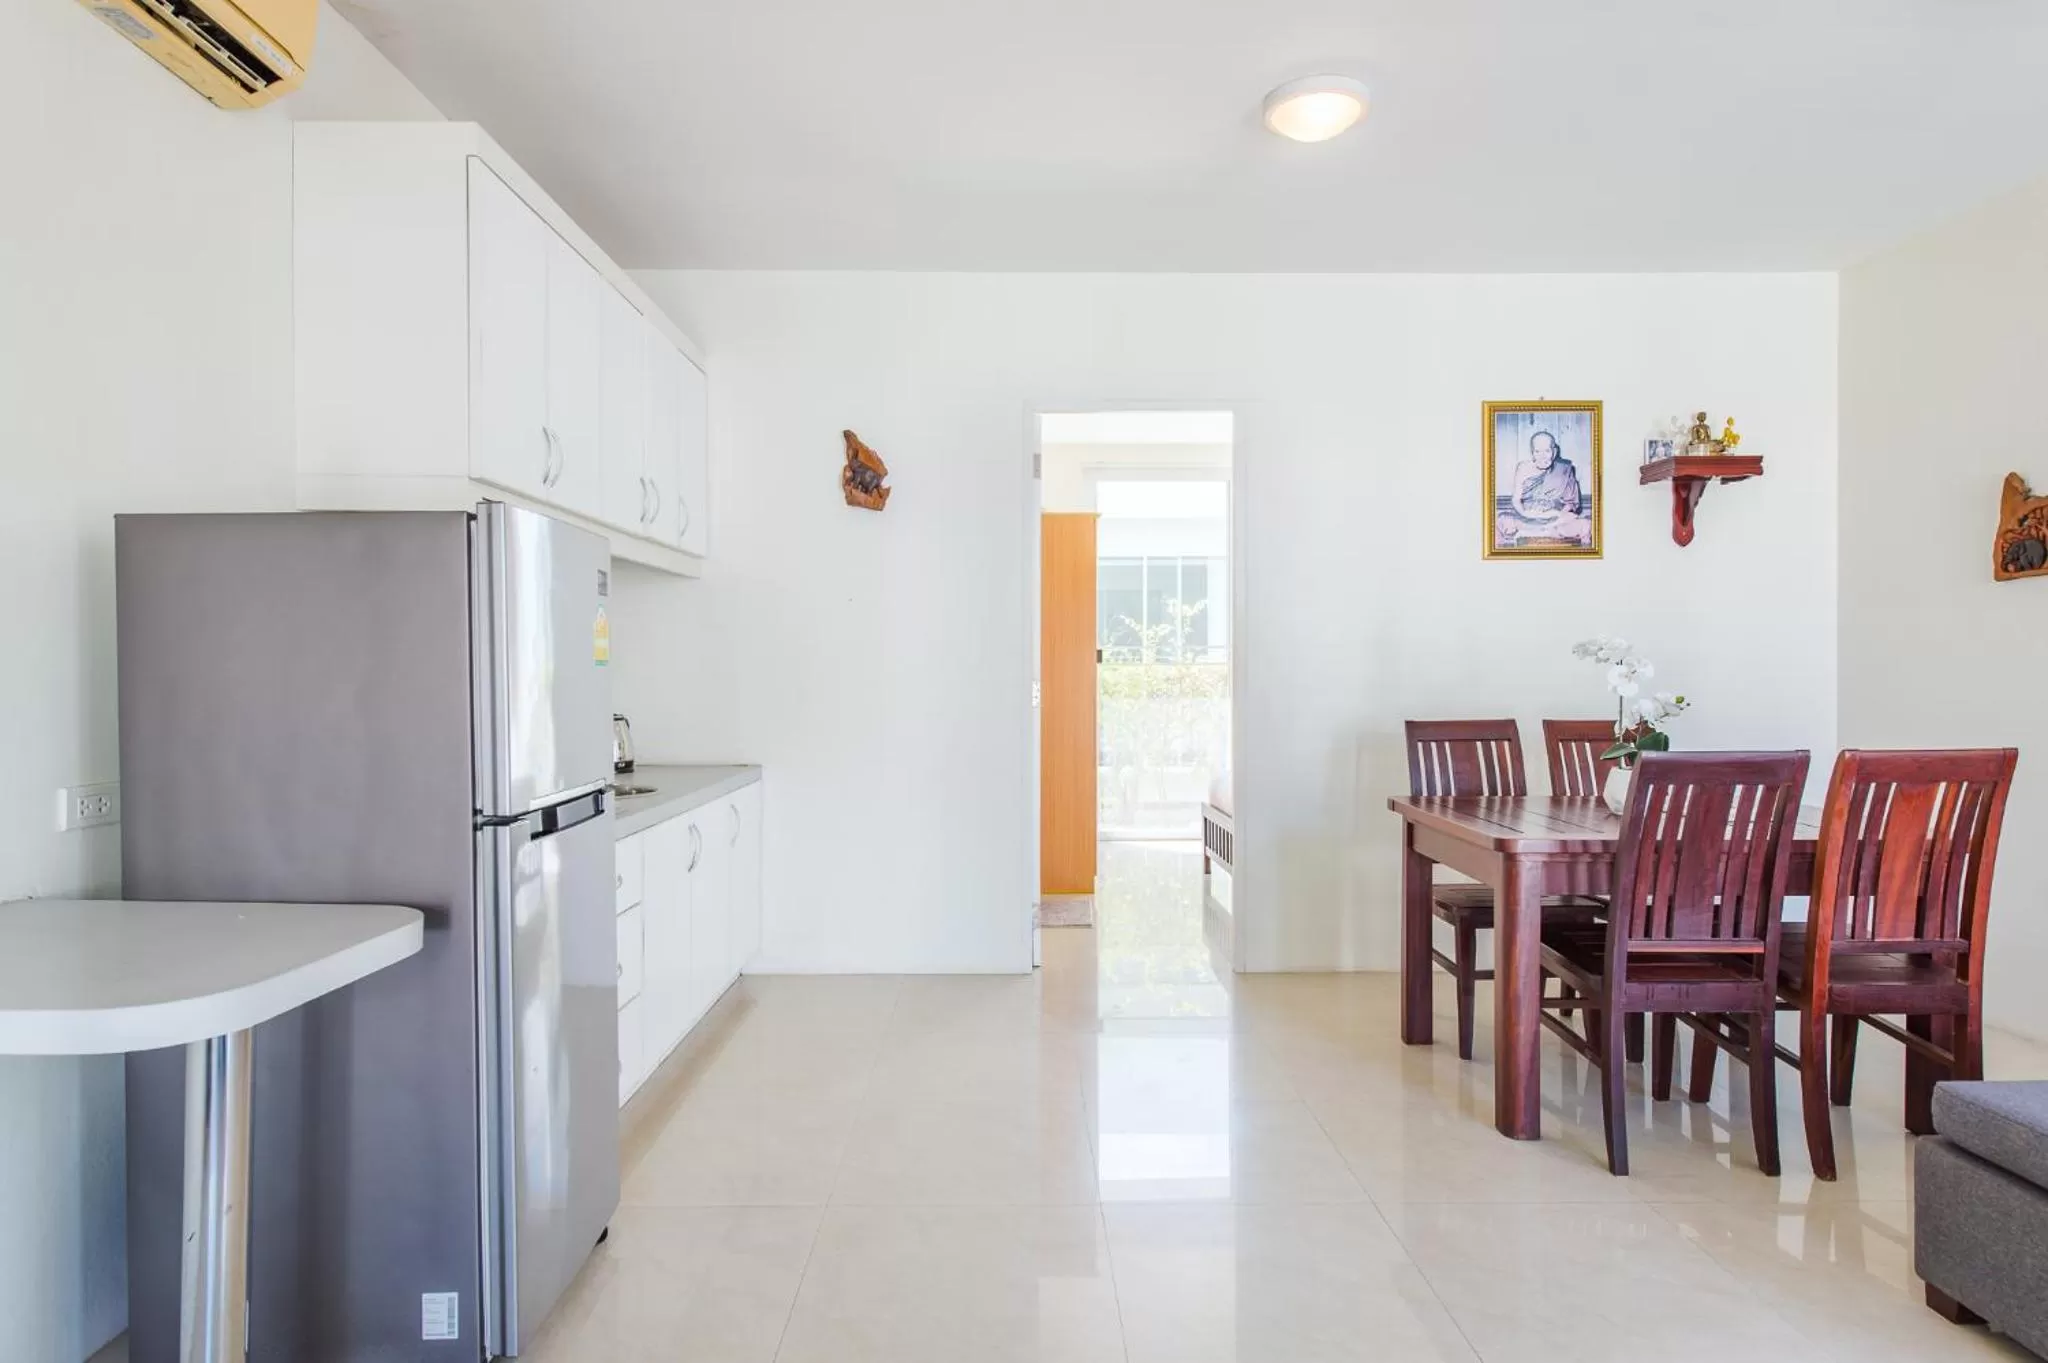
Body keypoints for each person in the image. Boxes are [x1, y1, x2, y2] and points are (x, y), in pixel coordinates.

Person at [1497, 429, 1591, 546]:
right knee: (1501, 520)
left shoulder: (1564, 469)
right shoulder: (1523, 468)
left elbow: (1571, 504)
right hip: (1527, 519)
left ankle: (1538, 532)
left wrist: (1557, 516)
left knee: (1586, 524)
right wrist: (1526, 513)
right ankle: (1543, 531)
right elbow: (1516, 500)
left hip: (1556, 520)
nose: (1542, 457)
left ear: (1554, 451)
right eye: (1537, 451)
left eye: (1547, 451)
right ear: (1532, 452)